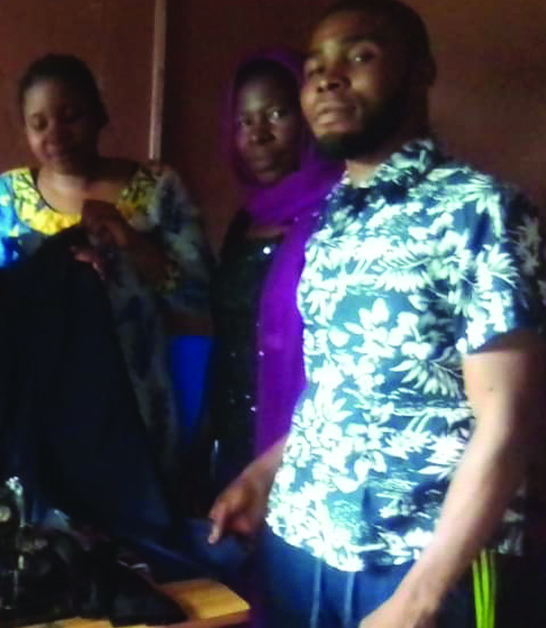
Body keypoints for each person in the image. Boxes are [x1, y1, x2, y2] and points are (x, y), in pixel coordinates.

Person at [208, 2, 546, 627]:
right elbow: (338, 389)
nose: (328, 79)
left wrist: (419, 599)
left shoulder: (482, 211)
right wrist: (265, 472)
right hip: (302, 542)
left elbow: (506, 424)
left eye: (358, 57)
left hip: (418, 564)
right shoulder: (329, 221)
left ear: (421, 72)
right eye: (315, 69)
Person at [0, 53, 212, 482]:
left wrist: (131, 242)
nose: (57, 134)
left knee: (139, 534)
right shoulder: (5, 200)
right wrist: (58, 273)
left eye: (72, 115)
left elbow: (198, 294)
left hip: (138, 398)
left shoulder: (159, 189)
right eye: (39, 123)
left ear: (101, 114)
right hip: (46, 402)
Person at [201, 48, 342, 492]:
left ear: (307, 118)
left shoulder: (337, 215)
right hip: (236, 434)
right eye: (243, 122)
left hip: (306, 444)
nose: (258, 135)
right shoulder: (245, 222)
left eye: (276, 113)